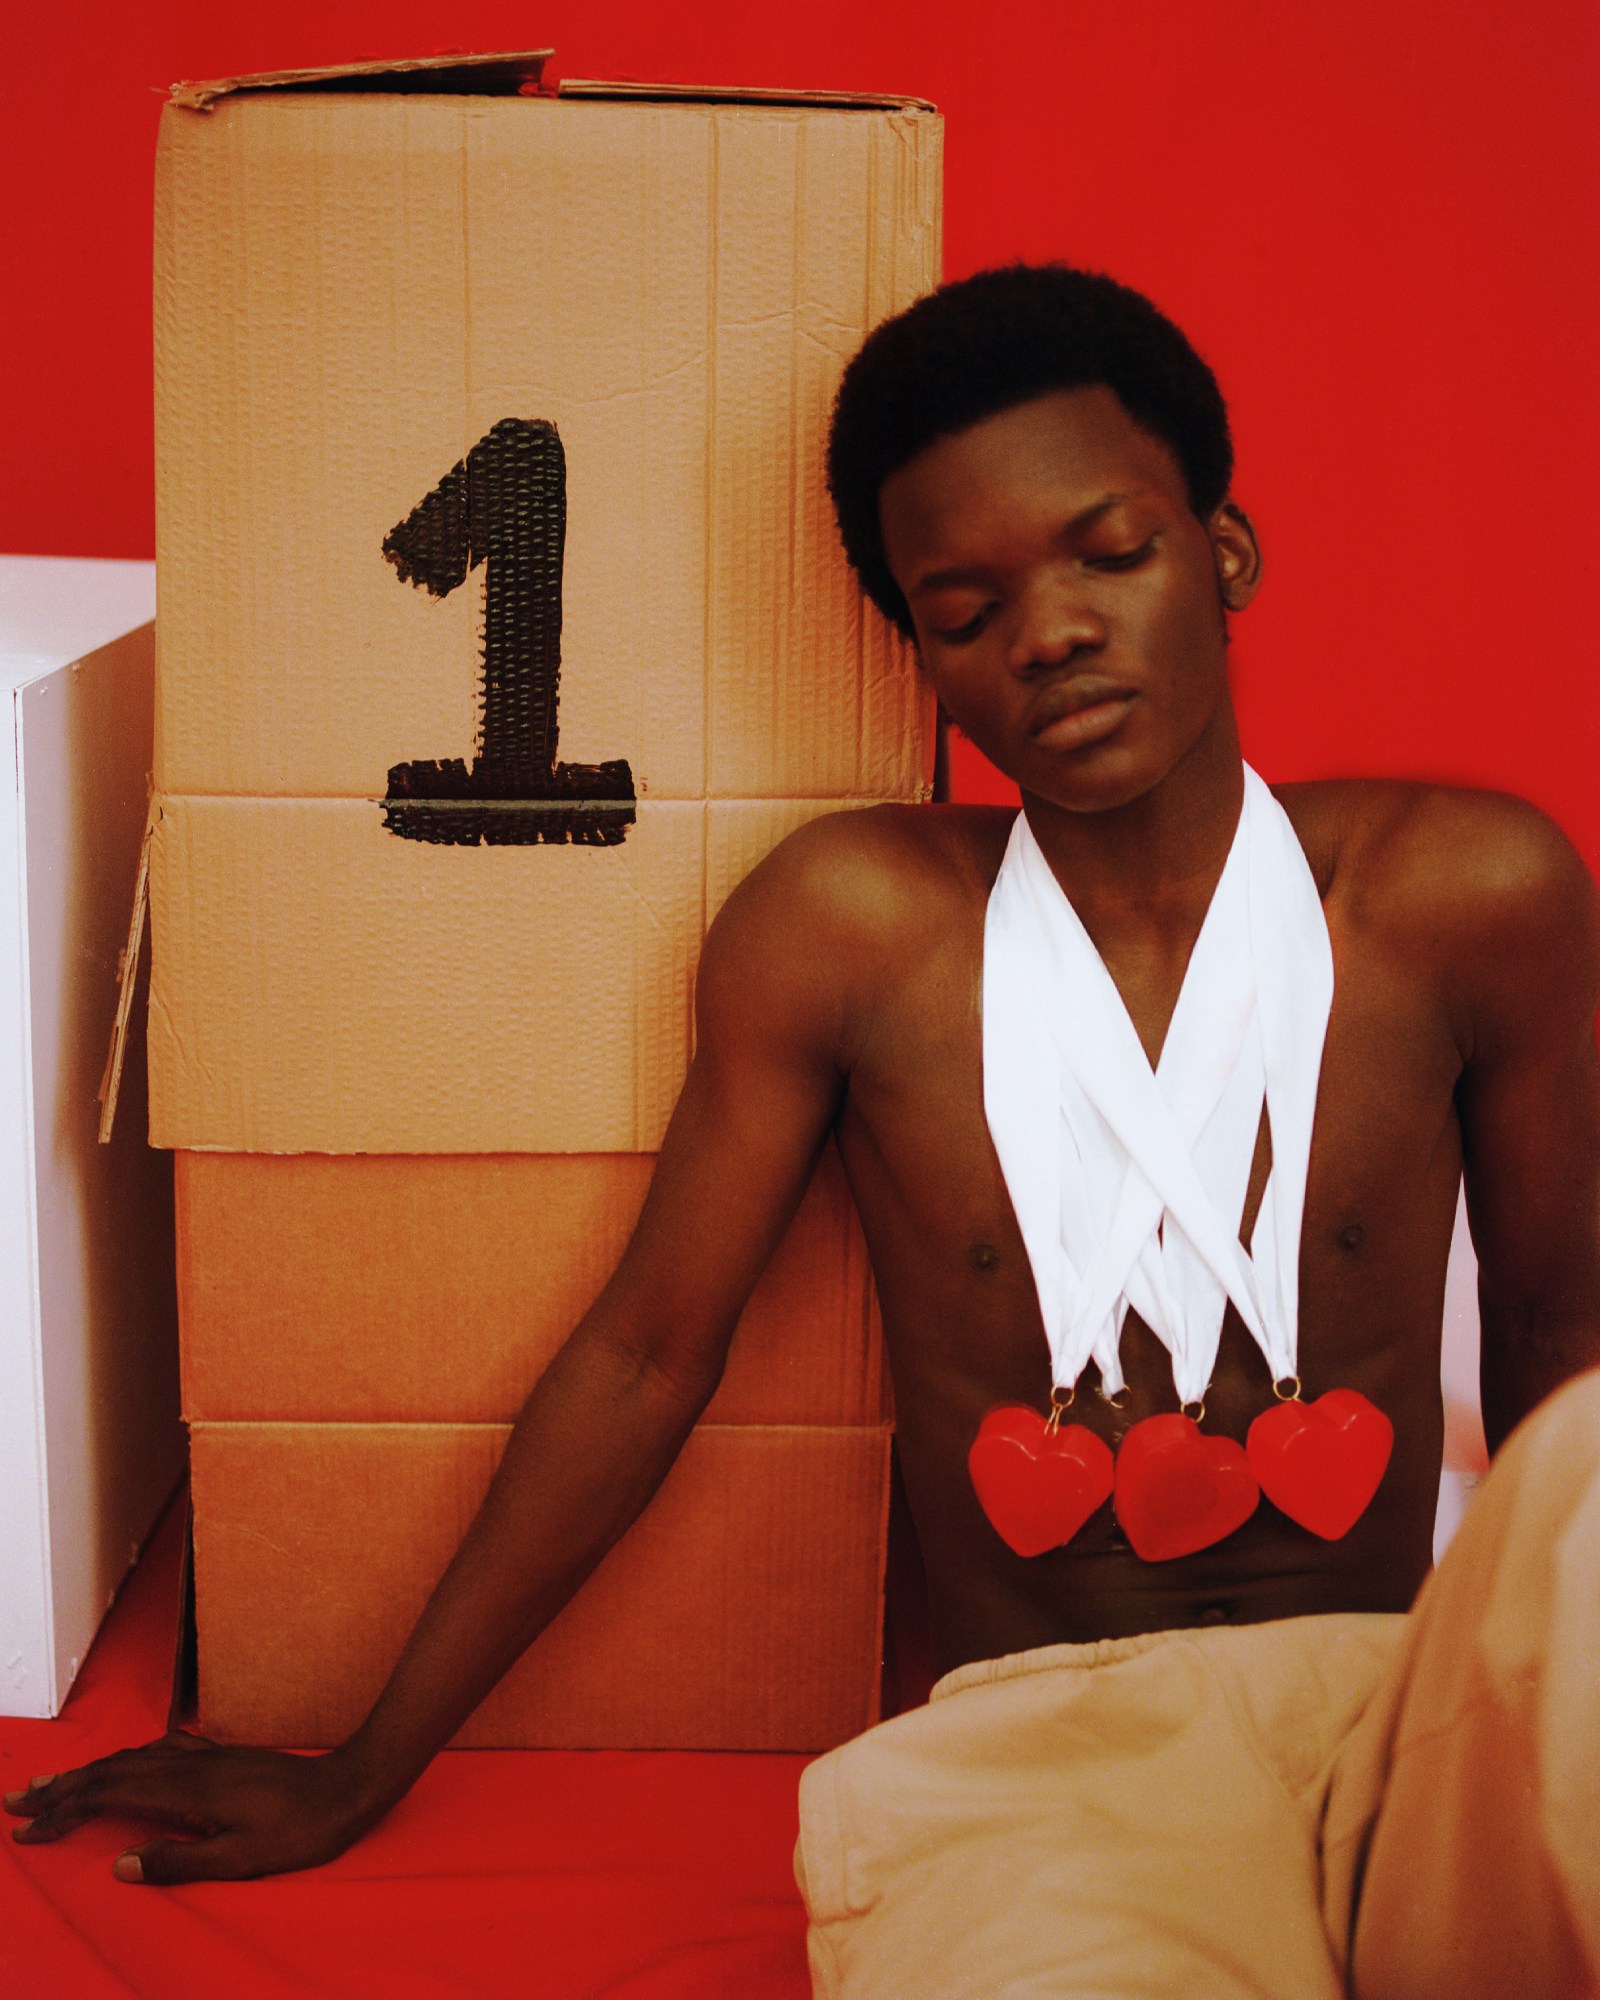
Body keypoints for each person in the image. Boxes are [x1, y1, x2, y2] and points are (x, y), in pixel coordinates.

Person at [9, 265, 1599, 1997]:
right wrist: (359, 1765)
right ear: (920, 650)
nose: (1049, 631)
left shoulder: (1471, 890)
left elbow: (1551, 1326)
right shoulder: (855, 927)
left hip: (1403, 1694)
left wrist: (1519, 1691)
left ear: (1222, 558)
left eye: (1109, 554)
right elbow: (644, 1355)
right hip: (1052, 1752)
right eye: (965, 603)